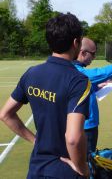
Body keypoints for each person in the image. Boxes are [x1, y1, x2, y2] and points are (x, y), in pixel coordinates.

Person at [0, 13, 91, 179]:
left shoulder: (31, 73)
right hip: (65, 170)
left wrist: (35, 141)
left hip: (36, 168)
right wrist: (82, 169)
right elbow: (73, 138)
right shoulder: (79, 80)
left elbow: (5, 114)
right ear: (75, 43)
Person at [73, 37, 112, 154]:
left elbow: (82, 89)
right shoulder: (77, 70)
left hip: (84, 124)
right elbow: (99, 73)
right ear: (83, 53)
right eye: (93, 53)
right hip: (85, 126)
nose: (94, 57)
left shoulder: (74, 69)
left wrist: (98, 86)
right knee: (86, 160)